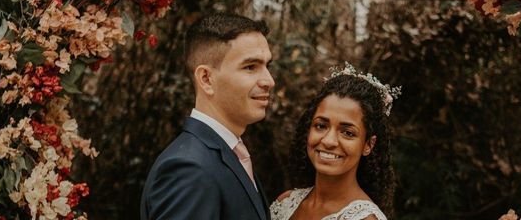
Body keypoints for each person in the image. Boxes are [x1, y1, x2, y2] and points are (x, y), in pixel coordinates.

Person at [140, 13, 275, 220]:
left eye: (268, 66)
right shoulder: (189, 169)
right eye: (250, 67)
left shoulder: (229, 154)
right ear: (206, 79)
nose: (269, 80)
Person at [270, 63, 399, 220]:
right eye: (321, 126)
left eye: (347, 133)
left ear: (368, 145)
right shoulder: (285, 202)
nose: (329, 141)